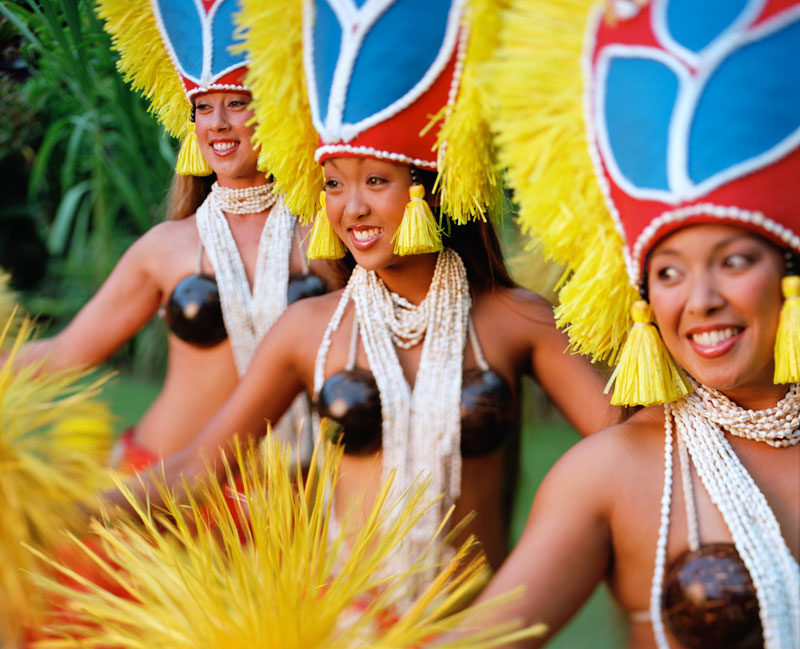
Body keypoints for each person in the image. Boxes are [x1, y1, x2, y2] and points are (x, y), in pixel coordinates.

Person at [105, 0, 620, 602]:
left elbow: (627, 447)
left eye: (376, 181)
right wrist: (67, 510)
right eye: (333, 183)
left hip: (472, 628)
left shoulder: (513, 320)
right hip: (342, 625)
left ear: (426, 189)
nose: (351, 208)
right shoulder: (309, 330)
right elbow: (197, 470)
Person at [460, 1, 800, 647]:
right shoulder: (612, 471)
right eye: (668, 272)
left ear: (789, 271)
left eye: (732, 260)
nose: (698, 300)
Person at [13, 0, 334, 471]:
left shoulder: (326, 241)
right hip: (158, 493)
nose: (218, 123)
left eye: (237, 104)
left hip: (287, 516)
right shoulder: (166, 248)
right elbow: (65, 353)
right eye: (203, 108)